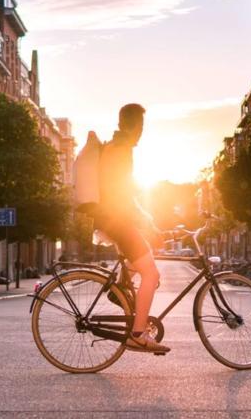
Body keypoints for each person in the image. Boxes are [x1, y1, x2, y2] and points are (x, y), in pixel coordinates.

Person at [94, 103, 169, 354]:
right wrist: (145, 220)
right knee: (152, 274)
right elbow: (121, 192)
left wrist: (145, 218)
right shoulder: (122, 149)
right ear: (133, 125)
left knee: (143, 257)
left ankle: (119, 289)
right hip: (116, 220)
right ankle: (137, 334)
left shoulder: (114, 146)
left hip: (111, 218)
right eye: (140, 125)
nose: (141, 131)